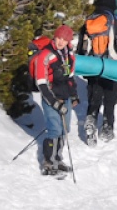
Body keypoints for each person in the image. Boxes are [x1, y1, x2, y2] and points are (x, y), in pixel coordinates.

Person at [77, 0, 117, 144]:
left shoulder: (88, 23)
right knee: (110, 97)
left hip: (93, 65)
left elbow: (81, 49)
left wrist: (85, 69)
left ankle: (90, 119)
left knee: (94, 95)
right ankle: (107, 127)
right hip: (112, 67)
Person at [29, 25, 76, 176]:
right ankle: (48, 163)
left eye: (64, 39)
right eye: (59, 37)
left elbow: (70, 77)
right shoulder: (45, 55)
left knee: (64, 129)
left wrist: (74, 95)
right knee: (54, 129)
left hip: (65, 96)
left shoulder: (69, 54)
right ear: (54, 37)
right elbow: (41, 82)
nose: (61, 41)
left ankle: (58, 159)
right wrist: (54, 102)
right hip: (50, 97)